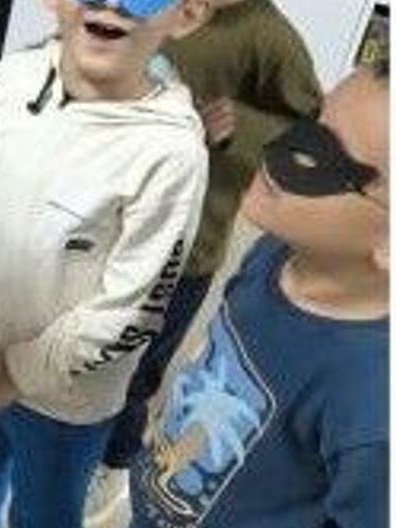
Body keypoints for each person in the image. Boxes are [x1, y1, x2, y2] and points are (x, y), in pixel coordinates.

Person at [0, 0, 211, 528]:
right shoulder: (10, 79)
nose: (112, 2)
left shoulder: (170, 153)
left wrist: (14, 376)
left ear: (188, 12)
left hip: (67, 399)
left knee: (45, 513)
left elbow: (131, 305)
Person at [88, 0, 324, 515]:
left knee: (139, 363)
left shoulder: (267, 38)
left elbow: (310, 135)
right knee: (81, 337)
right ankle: (62, 436)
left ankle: (114, 460)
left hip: (186, 243)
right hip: (99, 215)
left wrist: (238, 124)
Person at [130, 59, 389, 527]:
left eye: (323, 156)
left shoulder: (373, 405)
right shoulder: (274, 252)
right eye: (312, 121)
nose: (282, 149)